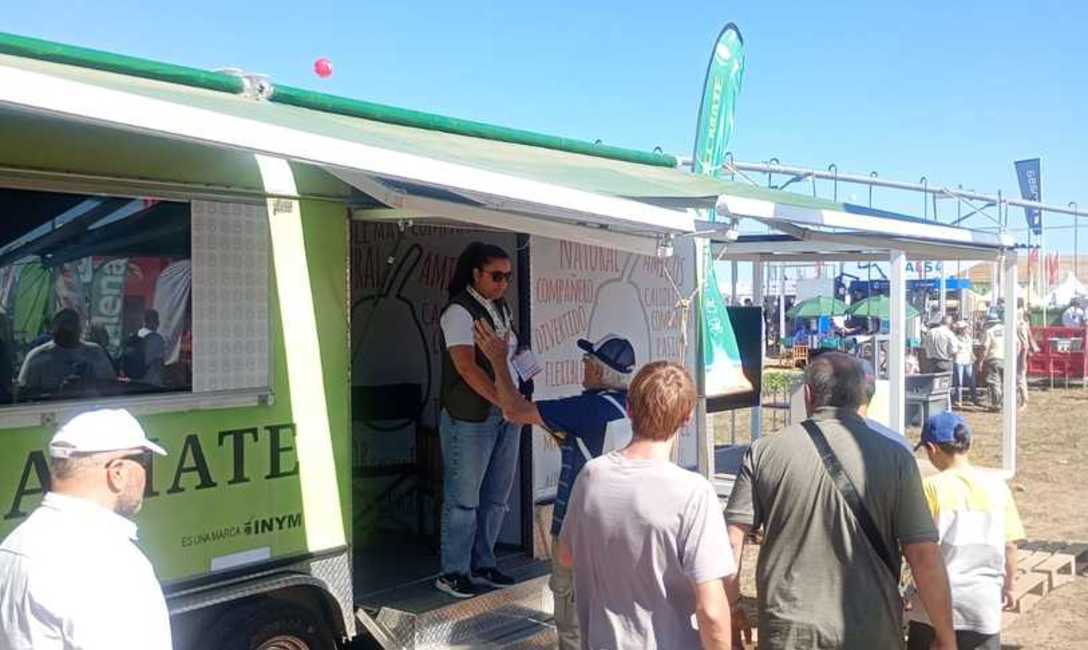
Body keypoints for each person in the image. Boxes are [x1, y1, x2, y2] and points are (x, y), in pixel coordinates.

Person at [724, 352, 955, 649]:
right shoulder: (897, 458)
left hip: (790, 630)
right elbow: (924, 555)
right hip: (872, 629)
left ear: (807, 395)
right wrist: (946, 636)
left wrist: (732, 606)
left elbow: (732, 541)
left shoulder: (763, 451)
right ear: (862, 397)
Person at [475, 325, 634, 650]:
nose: (583, 366)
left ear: (599, 370)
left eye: (587, 360)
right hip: (622, 532)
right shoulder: (632, 407)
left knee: (573, 624)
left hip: (579, 534)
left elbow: (514, 411)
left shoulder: (586, 410)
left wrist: (498, 362)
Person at [557, 361, 734, 649]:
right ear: (687, 418)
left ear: (629, 409)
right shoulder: (693, 493)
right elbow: (711, 610)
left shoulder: (591, 476)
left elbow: (566, 556)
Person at [0, 409, 171, 650]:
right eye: (144, 461)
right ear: (118, 473)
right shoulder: (114, 566)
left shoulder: (12, 546)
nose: (147, 474)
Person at [434, 242, 520, 598]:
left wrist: (517, 395)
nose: (503, 284)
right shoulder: (459, 311)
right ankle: (453, 571)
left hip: (505, 412)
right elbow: (467, 368)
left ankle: (484, 562)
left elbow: (513, 354)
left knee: (496, 496)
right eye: (497, 276)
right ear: (476, 274)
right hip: (470, 417)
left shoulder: (500, 307)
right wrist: (505, 401)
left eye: (508, 277)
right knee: (464, 499)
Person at [908, 412, 1026, 650]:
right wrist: (1010, 585)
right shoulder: (997, 487)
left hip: (935, 605)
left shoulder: (929, 488)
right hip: (982, 606)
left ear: (932, 449)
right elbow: (1010, 544)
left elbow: (918, 548)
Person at [17, 308, 116, 401]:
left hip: (90, 411)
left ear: (79, 328)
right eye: (63, 324)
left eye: (72, 323)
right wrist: (59, 393)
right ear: (52, 329)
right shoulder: (37, 357)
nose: (68, 328)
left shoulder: (95, 353)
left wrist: (86, 386)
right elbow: (23, 395)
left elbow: (111, 387)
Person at [129, 309, 167, 387]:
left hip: (135, 381)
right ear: (155, 321)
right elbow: (160, 363)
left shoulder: (135, 335)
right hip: (151, 383)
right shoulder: (157, 339)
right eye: (157, 320)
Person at [1015, 308, 1038, 409]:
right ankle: (1020, 400)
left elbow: (1024, 344)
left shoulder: (1020, 325)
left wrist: (1023, 358)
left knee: (1020, 378)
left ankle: (1024, 400)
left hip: (1020, 354)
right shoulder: (1023, 324)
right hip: (1019, 353)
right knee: (1018, 378)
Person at [953, 320, 979, 406]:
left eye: (965, 328)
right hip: (959, 361)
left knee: (971, 380)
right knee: (959, 382)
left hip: (968, 360)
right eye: (962, 328)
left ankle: (974, 398)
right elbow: (955, 351)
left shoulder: (968, 338)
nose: (964, 330)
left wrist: (973, 357)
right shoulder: (955, 338)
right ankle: (958, 400)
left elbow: (970, 350)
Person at [981, 318, 1005, 412]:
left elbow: (985, 347)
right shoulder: (1007, 330)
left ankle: (997, 403)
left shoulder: (989, 332)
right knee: (1006, 383)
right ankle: (1006, 403)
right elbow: (1017, 343)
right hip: (1007, 358)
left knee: (995, 382)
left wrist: (981, 361)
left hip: (994, 358)